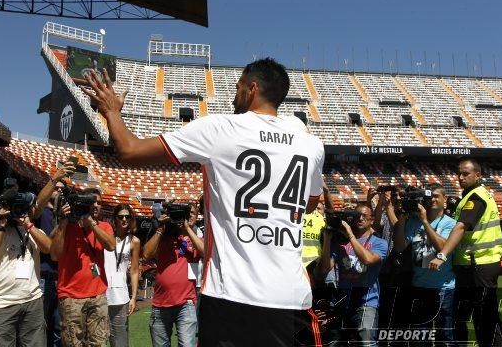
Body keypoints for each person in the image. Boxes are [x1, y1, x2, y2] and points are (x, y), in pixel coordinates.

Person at [81, 58, 325, 346]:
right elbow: (310, 203)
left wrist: (110, 111)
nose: (234, 95)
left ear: (252, 89)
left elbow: (129, 150)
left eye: (237, 88)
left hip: (230, 296)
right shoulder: (310, 144)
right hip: (290, 297)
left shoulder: (221, 129)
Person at [429, 159, 502, 346]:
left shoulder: (476, 197)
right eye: (459, 173)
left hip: (478, 264)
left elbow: (461, 227)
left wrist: (442, 255)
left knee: (483, 318)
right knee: (481, 316)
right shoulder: (473, 195)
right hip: (477, 263)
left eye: (466, 174)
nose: (460, 177)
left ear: (478, 175)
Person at [0, 194, 52, 346]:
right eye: (15, 208)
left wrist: (28, 225)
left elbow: (49, 248)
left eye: (21, 208)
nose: (18, 212)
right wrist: (0, 224)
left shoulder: (33, 231)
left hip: (32, 300)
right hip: (1, 303)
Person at [50, 187, 116, 346]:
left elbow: (111, 246)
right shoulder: (67, 227)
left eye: (99, 203)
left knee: (98, 343)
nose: (96, 205)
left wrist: (91, 224)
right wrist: (64, 221)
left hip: (97, 294)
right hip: (71, 296)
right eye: (92, 202)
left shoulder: (104, 227)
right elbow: (54, 255)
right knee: (73, 343)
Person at [392, 183, 456, 346]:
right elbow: (399, 246)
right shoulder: (413, 222)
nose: (432, 199)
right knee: (420, 338)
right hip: (419, 285)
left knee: (445, 337)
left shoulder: (450, 223)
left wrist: (425, 222)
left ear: (445, 199)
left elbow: (443, 248)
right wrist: (402, 218)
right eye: (429, 196)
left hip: (443, 287)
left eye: (436, 196)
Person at [318, 204, 388, 346]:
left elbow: (368, 259)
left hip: (367, 301)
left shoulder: (379, 242)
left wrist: (350, 235)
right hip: (344, 301)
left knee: (366, 343)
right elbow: (325, 268)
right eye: (357, 216)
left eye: (364, 216)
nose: (360, 218)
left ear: (372, 219)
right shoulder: (340, 242)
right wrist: (327, 239)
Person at [142, 203, 203, 347]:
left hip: (186, 303)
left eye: (191, 214)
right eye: (186, 214)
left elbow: (205, 252)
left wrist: (187, 228)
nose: (187, 217)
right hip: (160, 303)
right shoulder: (164, 235)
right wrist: (161, 228)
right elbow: (146, 254)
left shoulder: (196, 237)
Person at [34, 162, 76, 347]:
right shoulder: (41, 212)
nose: (58, 190)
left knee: (59, 327)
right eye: (55, 187)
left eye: (61, 188)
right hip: (42, 275)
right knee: (40, 324)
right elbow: (35, 207)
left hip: (62, 277)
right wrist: (55, 178)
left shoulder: (68, 215)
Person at [105, 204, 140, 347]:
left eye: (127, 216)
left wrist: (133, 297)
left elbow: (135, 270)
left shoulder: (134, 241)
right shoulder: (105, 236)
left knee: (119, 340)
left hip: (120, 295)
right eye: (121, 217)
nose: (124, 219)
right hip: (100, 293)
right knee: (98, 338)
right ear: (115, 219)